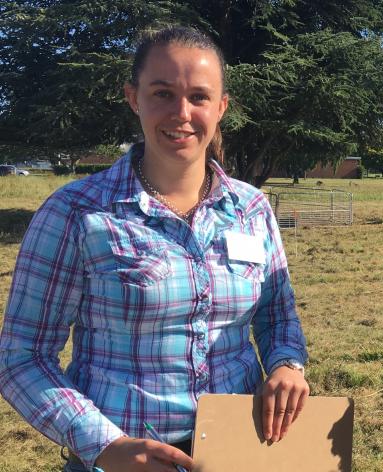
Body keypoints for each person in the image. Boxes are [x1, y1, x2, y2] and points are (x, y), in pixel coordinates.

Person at [0, 26, 309, 472]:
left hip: (241, 452)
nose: (181, 113)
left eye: (199, 97)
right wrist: (105, 445)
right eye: (162, 93)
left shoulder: (252, 208)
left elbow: (278, 316)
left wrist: (286, 365)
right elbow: (21, 357)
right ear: (134, 97)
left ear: (222, 107)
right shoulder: (76, 213)